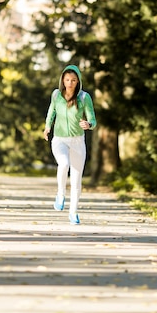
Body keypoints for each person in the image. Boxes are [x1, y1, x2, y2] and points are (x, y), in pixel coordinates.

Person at [43, 65, 97, 225]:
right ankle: (60, 194)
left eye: (73, 80)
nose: (70, 83)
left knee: (76, 179)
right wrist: (47, 127)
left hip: (77, 142)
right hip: (59, 140)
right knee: (64, 164)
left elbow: (93, 119)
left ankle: (73, 212)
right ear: (62, 80)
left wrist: (89, 124)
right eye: (67, 80)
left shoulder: (84, 97)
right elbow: (51, 111)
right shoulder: (56, 95)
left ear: (78, 81)